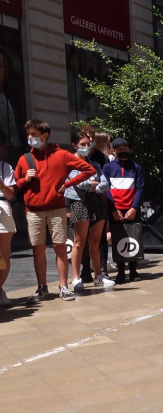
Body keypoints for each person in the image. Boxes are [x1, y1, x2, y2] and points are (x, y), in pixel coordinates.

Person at [14, 120, 96, 302]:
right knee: (38, 250)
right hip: (33, 211)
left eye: (34, 134)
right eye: (28, 134)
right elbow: (15, 186)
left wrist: (67, 184)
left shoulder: (62, 155)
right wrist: (25, 180)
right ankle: (42, 288)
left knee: (60, 248)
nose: (30, 137)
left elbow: (88, 170)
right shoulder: (24, 159)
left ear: (45, 135)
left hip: (57, 208)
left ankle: (63, 286)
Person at [66, 131, 114, 290]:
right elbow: (82, 185)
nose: (87, 147)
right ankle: (75, 277)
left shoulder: (95, 164)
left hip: (97, 203)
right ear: (75, 145)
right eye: (83, 144)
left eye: (88, 144)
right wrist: (93, 183)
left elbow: (106, 184)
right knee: (79, 242)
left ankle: (99, 275)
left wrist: (93, 184)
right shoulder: (71, 163)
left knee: (95, 241)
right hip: (80, 203)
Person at [103, 138, 144, 284]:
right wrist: (113, 209)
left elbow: (139, 188)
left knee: (134, 237)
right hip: (116, 209)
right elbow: (106, 189)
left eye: (124, 147)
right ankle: (120, 270)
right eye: (118, 148)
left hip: (131, 208)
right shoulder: (107, 168)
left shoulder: (136, 167)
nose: (122, 150)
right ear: (113, 150)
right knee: (117, 238)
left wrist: (134, 207)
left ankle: (133, 270)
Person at [0, 149, 16, 306]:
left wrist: (1, 184)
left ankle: (0, 289)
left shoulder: (5, 167)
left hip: (2, 209)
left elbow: (11, 194)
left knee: (3, 254)